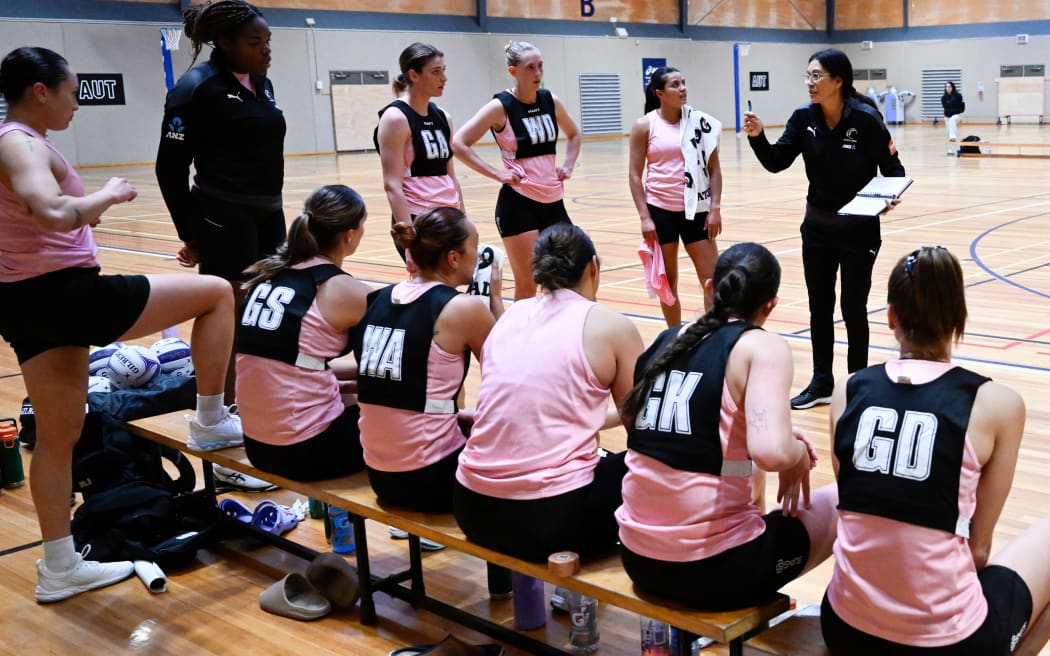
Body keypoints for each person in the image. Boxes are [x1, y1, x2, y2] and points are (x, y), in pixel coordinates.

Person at [0, 46, 240, 602]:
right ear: (41, 91)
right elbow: (52, 211)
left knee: (59, 437)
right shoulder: (18, 143)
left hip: (25, 301)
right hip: (66, 295)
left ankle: (59, 566)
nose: (77, 102)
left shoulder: (15, 142)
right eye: (71, 90)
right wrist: (107, 195)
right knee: (217, 293)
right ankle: (209, 418)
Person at [822, 245, 1050, 655]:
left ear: (891, 317)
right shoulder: (997, 403)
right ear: (959, 317)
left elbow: (859, 502)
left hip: (843, 625)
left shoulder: (848, 389)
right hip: (945, 642)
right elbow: (978, 550)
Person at [614, 243, 837, 610]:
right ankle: (860, 613)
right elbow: (773, 451)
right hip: (714, 572)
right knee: (847, 498)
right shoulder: (760, 347)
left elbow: (633, 422)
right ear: (770, 306)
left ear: (708, 289)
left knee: (737, 463)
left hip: (638, 560)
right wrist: (797, 453)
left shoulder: (666, 340)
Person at [454, 224, 644, 561]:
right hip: (551, 520)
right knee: (653, 468)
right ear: (593, 268)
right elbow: (642, 430)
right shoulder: (611, 325)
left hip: (472, 508)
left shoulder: (511, 317)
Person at [743, 48, 905, 410]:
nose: (810, 83)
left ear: (838, 80)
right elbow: (776, 162)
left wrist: (889, 196)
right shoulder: (803, 119)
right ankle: (821, 382)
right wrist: (757, 137)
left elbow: (893, 170)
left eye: (817, 76)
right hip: (817, 229)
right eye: (808, 76)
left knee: (853, 306)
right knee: (820, 306)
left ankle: (857, 382)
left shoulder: (866, 119)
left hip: (859, 231)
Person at [155, 0, 285, 400]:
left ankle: (260, 398)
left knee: (269, 307)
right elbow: (169, 168)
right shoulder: (196, 88)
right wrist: (191, 233)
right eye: (254, 41)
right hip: (223, 215)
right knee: (228, 310)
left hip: (270, 213)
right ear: (225, 42)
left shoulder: (262, 84)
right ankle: (220, 407)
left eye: (267, 40)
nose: (266, 49)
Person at [353, 207, 502, 512]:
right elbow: (513, 378)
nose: (478, 255)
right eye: (475, 246)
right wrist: (495, 300)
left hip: (380, 475)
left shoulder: (379, 298)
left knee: (465, 418)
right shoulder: (463, 308)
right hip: (431, 479)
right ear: (453, 258)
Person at [236, 185, 370, 481]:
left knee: (350, 393)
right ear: (350, 235)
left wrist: (346, 380)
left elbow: (294, 360)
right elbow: (385, 374)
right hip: (305, 452)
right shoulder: (342, 289)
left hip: (257, 446)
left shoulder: (270, 274)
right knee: (403, 415)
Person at [452, 41, 582, 301]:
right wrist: (496, 173)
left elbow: (574, 134)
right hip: (519, 204)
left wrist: (567, 164)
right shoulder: (500, 107)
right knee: (528, 280)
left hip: (553, 200)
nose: (537, 74)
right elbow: (458, 143)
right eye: (530, 68)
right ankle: (520, 337)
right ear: (513, 72)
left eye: (540, 67)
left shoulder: (550, 101)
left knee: (568, 273)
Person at [629, 66, 722, 327]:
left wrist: (715, 208)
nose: (682, 88)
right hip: (660, 212)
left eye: (683, 82)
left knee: (712, 279)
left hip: (697, 209)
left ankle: (713, 336)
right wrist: (645, 218)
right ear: (659, 93)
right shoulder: (645, 125)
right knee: (668, 283)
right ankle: (674, 338)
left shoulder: (700, 123)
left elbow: (714, 169)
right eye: (675, 85)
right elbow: (635, 175)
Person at [375, 42, 464, 261]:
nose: (444, 78)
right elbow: (392, 185)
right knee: (431, 289)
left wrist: (463, 219)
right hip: (419, 218)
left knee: (449, 288)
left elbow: (450, 174)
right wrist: (409, 240)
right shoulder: (396, 118)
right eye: (435, 72)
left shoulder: (444, 116)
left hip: (448, 216)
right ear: (413, 75)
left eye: (444, 71)